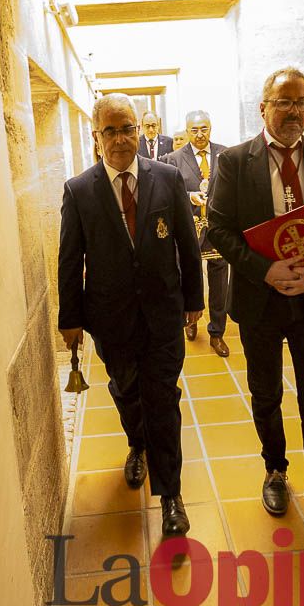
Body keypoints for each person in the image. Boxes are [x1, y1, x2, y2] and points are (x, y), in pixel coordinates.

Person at [206, 67, 304, 549]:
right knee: (266, 392)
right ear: (263, 107)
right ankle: (275, 469)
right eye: (284, 102)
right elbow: (219, 230)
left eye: (303, 102)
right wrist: (264, 270)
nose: (294, 111)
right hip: (259, 302)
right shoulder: (233, 161)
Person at [58, 93, 204, 538]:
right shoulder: (79, 190)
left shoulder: (167, 177)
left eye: (127, 129)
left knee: (163, 398)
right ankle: (136, 443)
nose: (120, 139)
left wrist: (194, 299)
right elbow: (70, 259)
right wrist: (71, 319)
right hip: (111, 318)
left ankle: (172, 495)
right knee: (125, 390)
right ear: (96, 136)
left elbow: (185, 241)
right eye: (110, 131)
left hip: (162, 313)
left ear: (138, 131)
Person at [164, 110, 232, 357]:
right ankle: (190, 321)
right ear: (187, 131)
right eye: (194, 130)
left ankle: (217, 333)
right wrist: (188, 196)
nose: (200, 134)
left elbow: (233, 189)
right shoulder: (173, 159)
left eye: (204, 129)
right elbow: (167, 194)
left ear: (211, 128)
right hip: (188, 229)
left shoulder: (226, 154)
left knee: (219, 282)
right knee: (189, 276)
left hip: (218, 229)